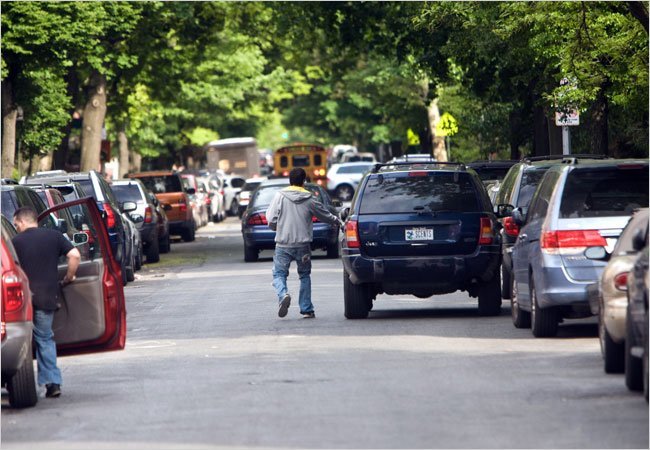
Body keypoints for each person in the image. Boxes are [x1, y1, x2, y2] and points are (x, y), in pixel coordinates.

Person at [12, 206, 81, 398]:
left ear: (23, 221)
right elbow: (74, 255)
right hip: (46, 297)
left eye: (16, 223)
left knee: (19, 341)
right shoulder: (54, 236)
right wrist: (69, 277)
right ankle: (52, 383)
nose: (16, 226)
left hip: (20, 300)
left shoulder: (15, 242)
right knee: (44, 338)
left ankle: (17, 382)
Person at [266, 168, 343, 319]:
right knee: (304, 275)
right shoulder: (309, 198)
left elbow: (270, 219)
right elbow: (324, 215)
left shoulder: (279, 196)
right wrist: (338, 221)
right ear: (304, 182)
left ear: (290, 181)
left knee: (279, 274)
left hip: (283, 244)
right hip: (303, 246)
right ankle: (307, 309)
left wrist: (278, 228)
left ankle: (283, 294)